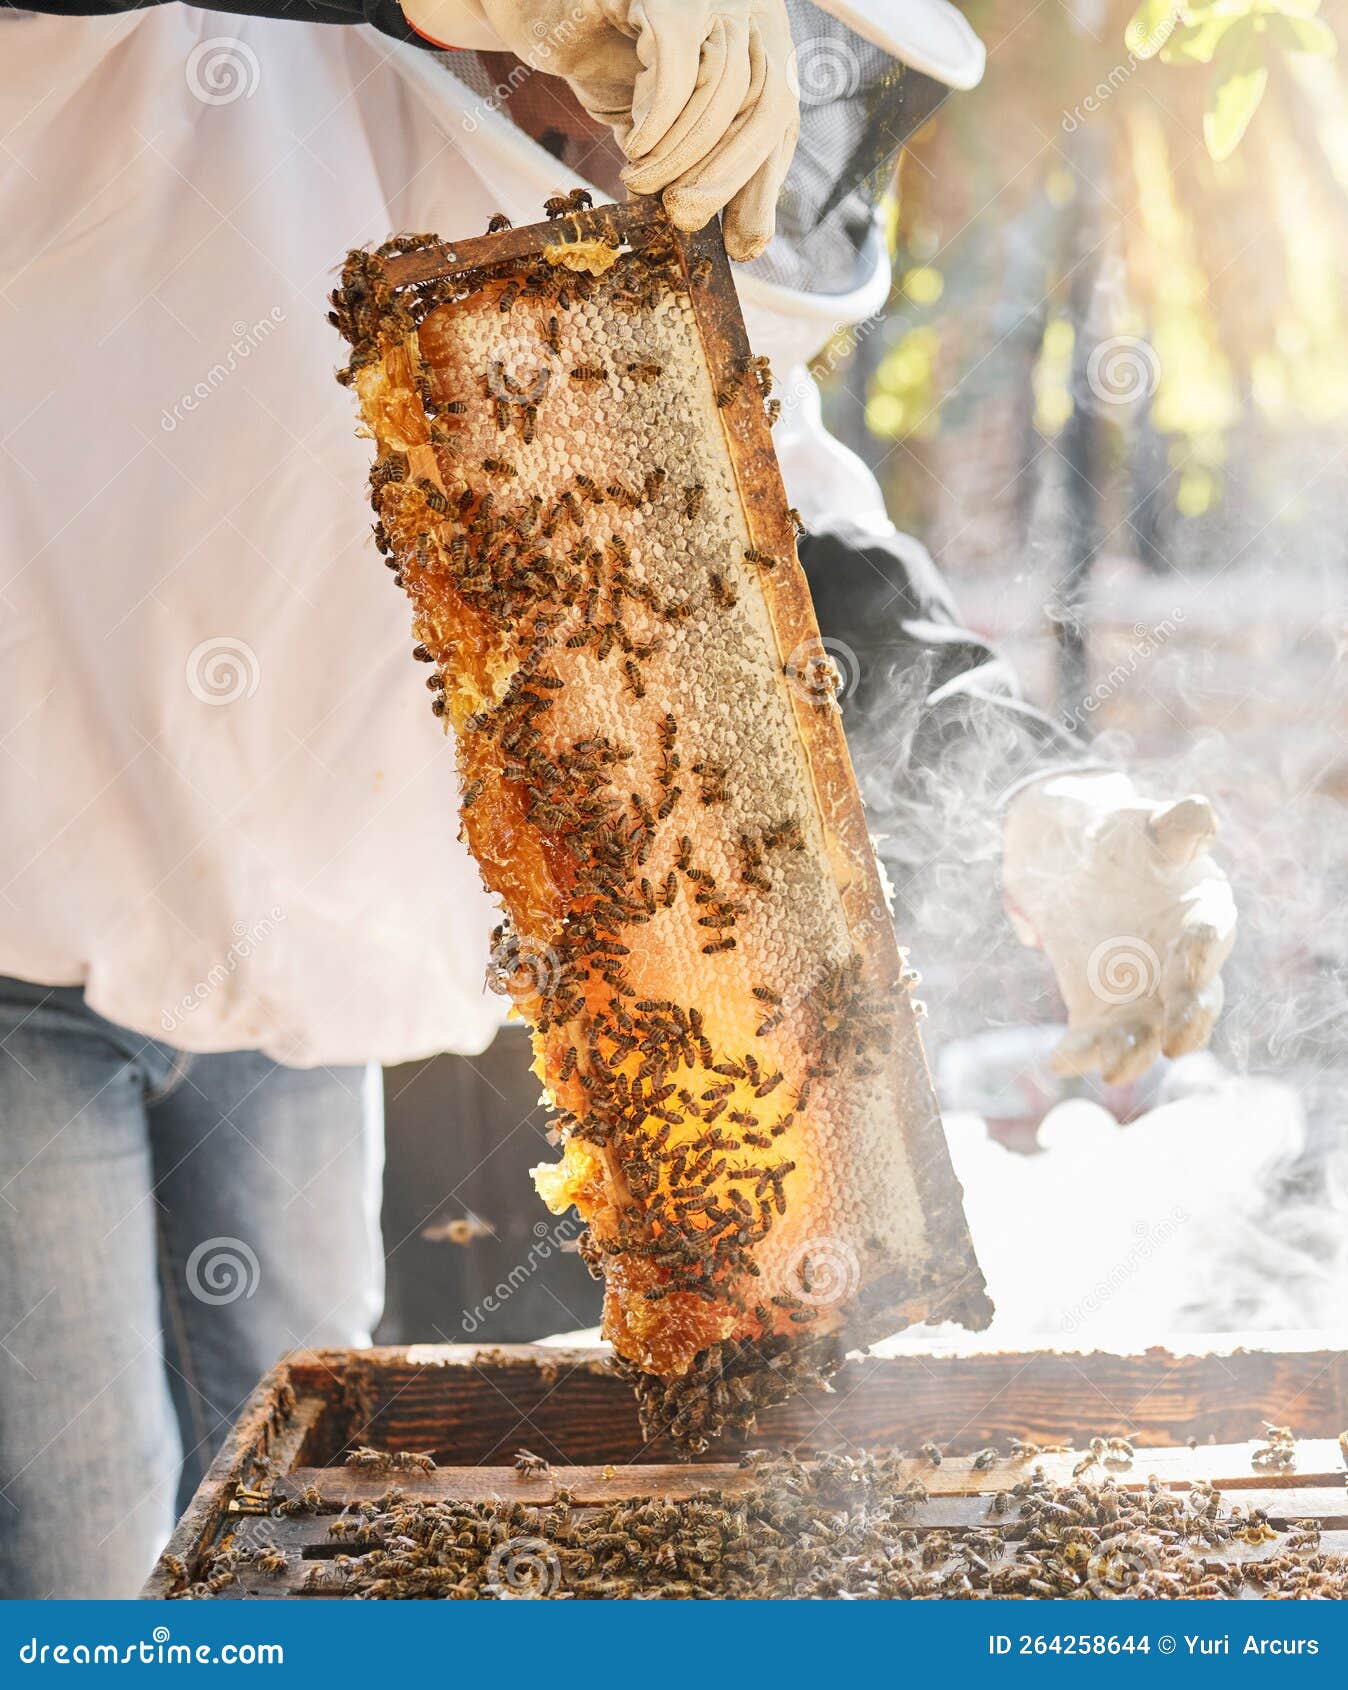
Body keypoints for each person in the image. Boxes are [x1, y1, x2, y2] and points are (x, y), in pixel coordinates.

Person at [0, 0, 1235, 1597]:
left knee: (295, 1538)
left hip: (293, 997)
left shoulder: (623, 299)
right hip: (20, 927)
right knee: (82, 1547)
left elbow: (795, 568)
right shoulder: (229, 53)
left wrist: (1040, 801)